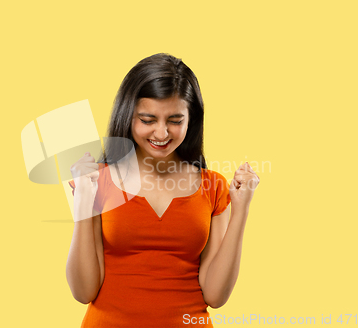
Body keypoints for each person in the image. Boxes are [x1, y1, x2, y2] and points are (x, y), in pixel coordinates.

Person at [66, 53, 260, 328]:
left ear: (191, 120)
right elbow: (82, 291)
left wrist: (241, 209)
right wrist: (84, 199)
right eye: (147, 120)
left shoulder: (213, 187)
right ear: (128, 116)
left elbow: (215, 296)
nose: (161, 133)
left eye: (175, 120)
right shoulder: (97, 181)